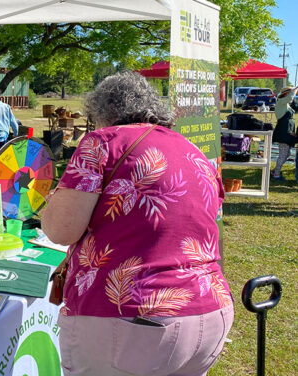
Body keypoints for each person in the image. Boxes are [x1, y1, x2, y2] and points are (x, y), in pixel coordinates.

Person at [41, 71, 233, 376]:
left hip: (130, 321)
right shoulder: (193, 150)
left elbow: (60, 230)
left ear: (102, 113)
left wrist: (52, 201)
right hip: (209, 313)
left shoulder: (103, 142)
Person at [271, 86, 298, 181]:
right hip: (283, 132)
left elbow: (294, 105)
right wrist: (295, 90)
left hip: (287, 131)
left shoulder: (286, 104)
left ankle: (275, 171)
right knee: (283, 154)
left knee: (287, 153)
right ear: (286, 93)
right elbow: (290, 97)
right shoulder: (281, 102)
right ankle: (276, 175)